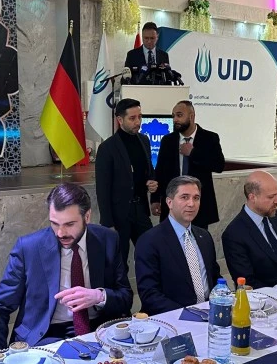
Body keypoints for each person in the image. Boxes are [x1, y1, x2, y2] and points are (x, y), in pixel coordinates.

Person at [0, 183, 132, 352]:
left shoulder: (108, 240)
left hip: (98, 330)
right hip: (46, 334)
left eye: (69, 224)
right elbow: (0, 307)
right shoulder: (28, 248)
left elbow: (125, 297)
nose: (60, 233)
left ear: (87, 217)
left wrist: (99, 296)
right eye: (55, 224)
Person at [135, 176, 220, 315]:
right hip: (173, 318)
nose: (191, 204)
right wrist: (188, 314)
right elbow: (149, 294)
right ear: (169, 202)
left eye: (196, 198)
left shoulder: (204, 236)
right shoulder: (149, 241)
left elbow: (215, 278)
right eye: (184, 197)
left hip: (209, 314)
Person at [94, 98, 157, 272]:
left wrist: (151, 183)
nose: (138, 122)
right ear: (120, 120)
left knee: (151, 254)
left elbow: (148, 171)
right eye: (132, 118)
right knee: (119, 263)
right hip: (119, 214)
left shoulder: (144, 140)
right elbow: (102, 188)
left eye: (140, 117)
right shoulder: (107, 148)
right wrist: (107, 223)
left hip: (141, 209)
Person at [151, 101, 225, 230]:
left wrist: (193, 153)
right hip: (173, 204)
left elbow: (219, 166)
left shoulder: (209, 138)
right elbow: (160, 171)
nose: (175, 119)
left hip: (198, 205)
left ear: (191, 116)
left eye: (179, 115)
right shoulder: (168, 140)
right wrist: (155, 199)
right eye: (173, 116)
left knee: (197, 240)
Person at [222, 171, 277, 288]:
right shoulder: (234, 234)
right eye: (271, 197)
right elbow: (246, 281)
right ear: (252, 197)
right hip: (265, 295)